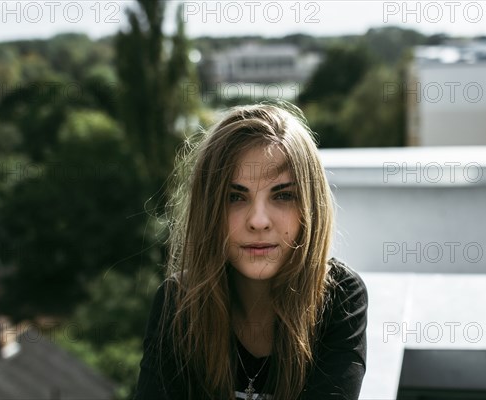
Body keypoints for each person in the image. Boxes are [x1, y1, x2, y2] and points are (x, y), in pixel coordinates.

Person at [135, 103, 368, 400]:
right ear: (210, 209)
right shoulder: (178, 304)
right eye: (236, 197)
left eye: (283, 195)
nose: (258, 221)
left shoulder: (338, 298)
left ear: (310, 206)